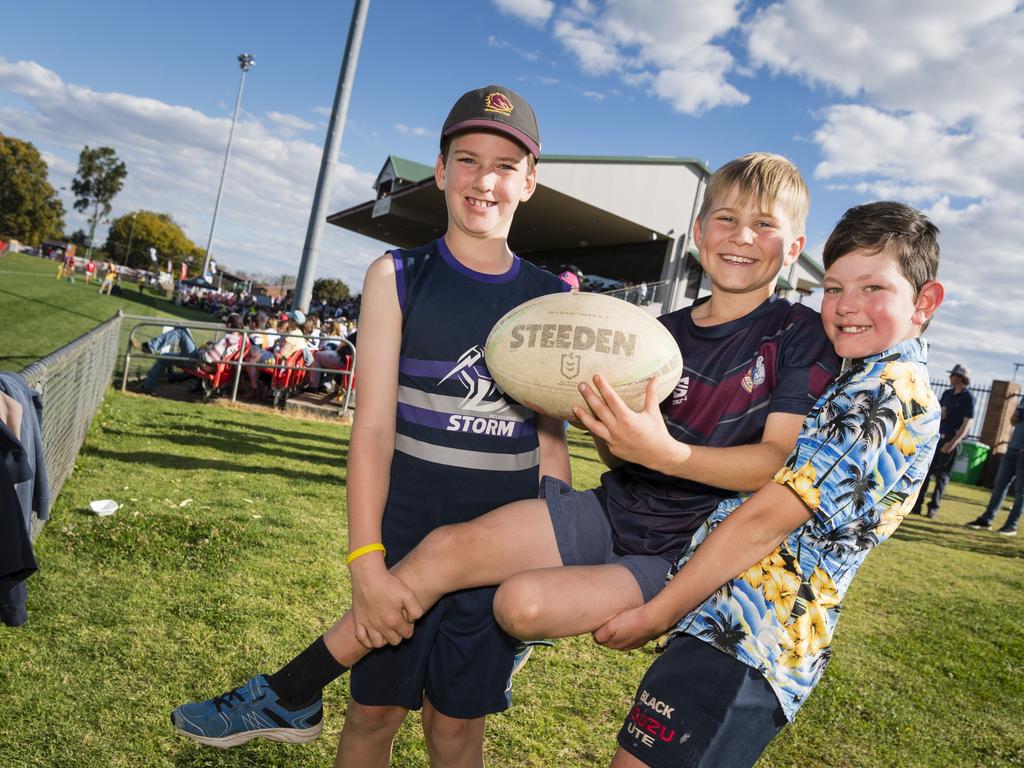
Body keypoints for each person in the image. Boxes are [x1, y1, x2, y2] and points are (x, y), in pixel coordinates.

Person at [171, 151, 840, 758]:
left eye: (763, 225)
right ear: (698, 232)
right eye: (725, 218)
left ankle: (508, 641)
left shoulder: (798, 332)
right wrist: (608, 433)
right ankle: (292, 690)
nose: (741, 237)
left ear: (797, 247)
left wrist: (666, 453)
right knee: (442, 552)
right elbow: (620, 455)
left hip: (676, 553)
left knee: (517, 608)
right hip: (608, 513)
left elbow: (777, 462)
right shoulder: (651, 333)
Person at [174, 85, 571, 765]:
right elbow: (373, 433)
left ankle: (286, 692)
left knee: (456, 728)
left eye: (506, 165)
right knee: (372, 716)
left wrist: (554, 541)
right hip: (405, 534)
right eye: (468, 160)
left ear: (529, 182)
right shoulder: (396, 276)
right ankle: (294, 694)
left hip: (498, 550)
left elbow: (550, 440)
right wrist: (366, 562)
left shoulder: (552, 297)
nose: (485, 180)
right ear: (442, 173)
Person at [598, 200, 945, 768]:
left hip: (753, 639)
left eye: (873, 288)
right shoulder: (860, 376)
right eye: (833, 289)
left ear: (924, 302)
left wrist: (655, 613)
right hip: (727, 629)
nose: (846, 307)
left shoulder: (886, 390)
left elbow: (765, 524)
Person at [910, 362, 975, 517]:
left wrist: (953, 443)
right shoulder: (947, 393)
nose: (950, 377)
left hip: (951, 441)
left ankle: (933, 508)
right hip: (938, 438)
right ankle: (916, 505)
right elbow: (937, 413)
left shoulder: (968, 397)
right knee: (926, 473)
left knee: (942, 476)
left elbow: (968, 423)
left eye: (952, 374)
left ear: (960, 377)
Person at [131, 313, 244, 393]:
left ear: (229, 325)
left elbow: (208, 358)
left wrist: (203, 349)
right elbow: (222, 353)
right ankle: (150, 385)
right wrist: (212, 344)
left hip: (199, 362)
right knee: (165, 356)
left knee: (181, 331)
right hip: (204, 363)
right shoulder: (239, 338)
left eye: (225, 323)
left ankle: (150, 347)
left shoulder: (227, 339)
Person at [966, 396, 1024, 536]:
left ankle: (1011, 526)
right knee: (999, 483)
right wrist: (1014, 417)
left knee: (1020, 490)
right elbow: (1013, 422)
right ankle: (987, 519)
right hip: (1012, 448)